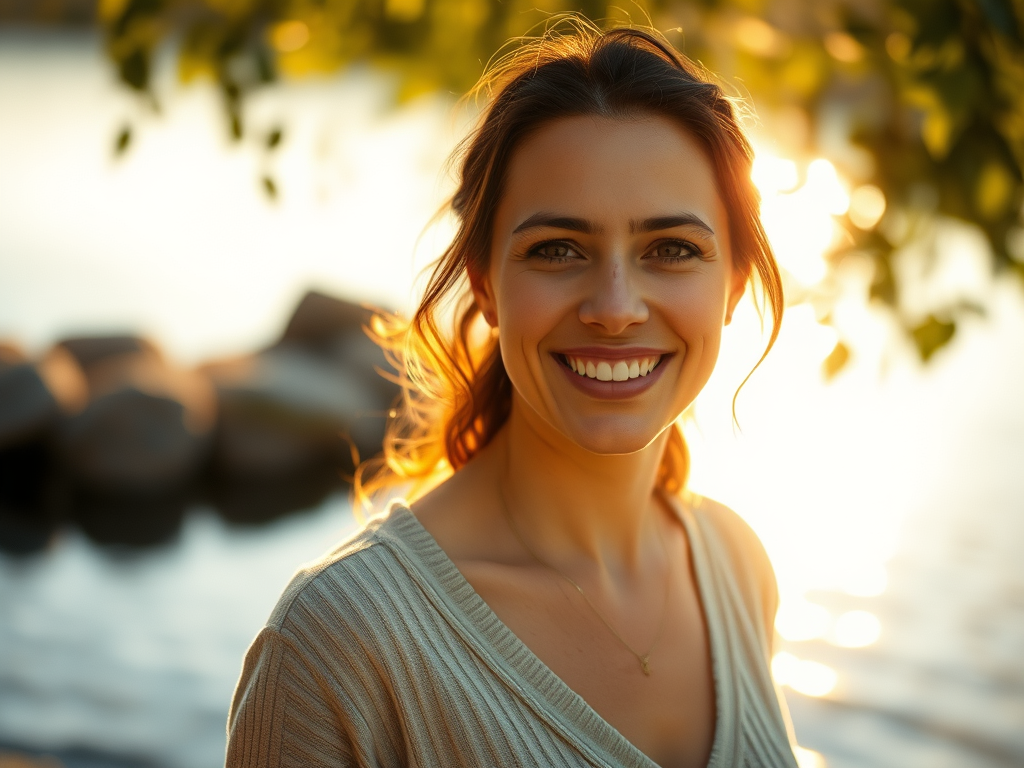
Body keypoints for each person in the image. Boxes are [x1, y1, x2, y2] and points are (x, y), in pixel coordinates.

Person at [226, 20, 797, 768]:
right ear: (487, 283)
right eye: (558, 249)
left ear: (734, 286)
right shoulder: (338, 644)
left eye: (672, 249)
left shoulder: (734, 565)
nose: (616, 306)